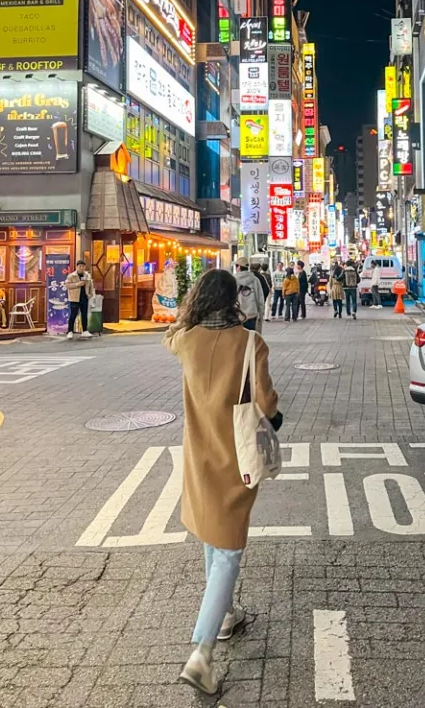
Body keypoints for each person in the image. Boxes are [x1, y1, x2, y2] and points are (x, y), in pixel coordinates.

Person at [165, 270, 280, 696]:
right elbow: (267, 402)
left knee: (212, 536)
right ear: (235, 299)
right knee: (229, 549)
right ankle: (202, 651)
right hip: (236, 457)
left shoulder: (184, 340)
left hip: (199, 455)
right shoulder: (249, 343)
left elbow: (171, 333)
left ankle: (226, 615)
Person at [66, 260, 95, 338]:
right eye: (80, 266)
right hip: (75, 298)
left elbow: (91, 285)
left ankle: (85, 330)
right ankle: (70, 331)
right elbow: (67, 285)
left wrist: (90, 294)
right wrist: (78, 284)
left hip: (84, 297)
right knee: (73, 315)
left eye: (83, 266)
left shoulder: (87, 275)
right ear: (77, 267)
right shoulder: (71, 276)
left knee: (84, 315)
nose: (81, 268)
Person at [235, 257, 265, 331]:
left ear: (238, 267)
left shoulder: (232, 280)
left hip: (237, 316)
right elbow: (260, 298)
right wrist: (261, 314)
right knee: (250, 339)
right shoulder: (255, 280)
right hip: (251, 315)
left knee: (238, 340)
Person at [250, 261, 271, 334]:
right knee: (257, 326)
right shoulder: (261, 277)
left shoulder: (244, 277)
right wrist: (263, 300)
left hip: (244, 308)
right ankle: (256, 340)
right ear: (259, 268)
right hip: (257, 305)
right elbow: (266, 289)